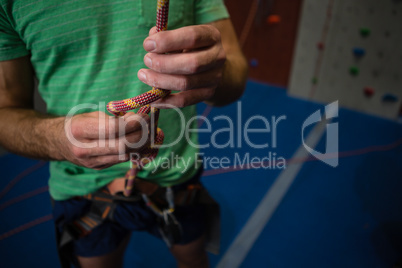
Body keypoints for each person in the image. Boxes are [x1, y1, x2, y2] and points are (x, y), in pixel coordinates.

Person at [0, 0, 247, 267]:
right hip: (82, 189)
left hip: (175, 176)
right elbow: (5, 111)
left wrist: (218, 74)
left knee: (193, 258)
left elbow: (235, 73)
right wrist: (57, 140)